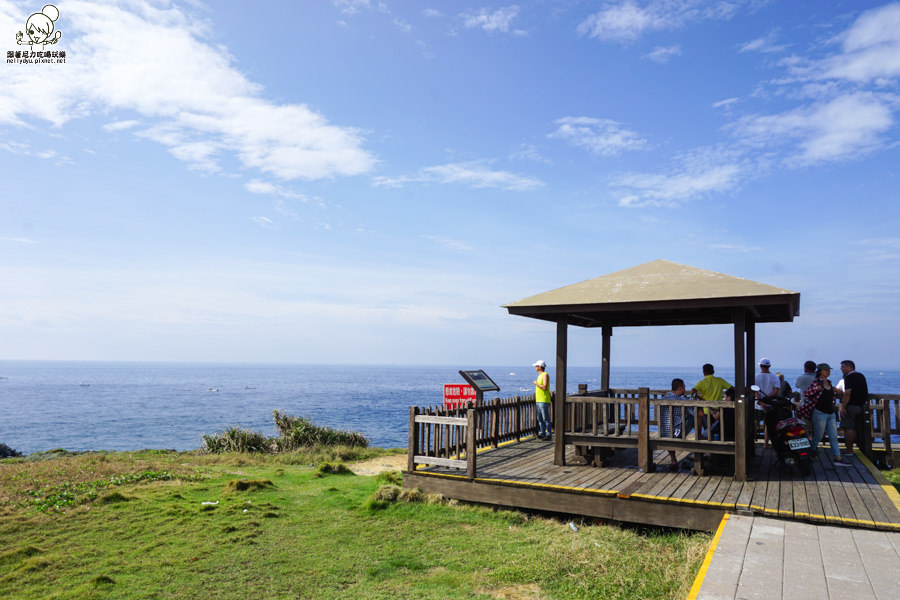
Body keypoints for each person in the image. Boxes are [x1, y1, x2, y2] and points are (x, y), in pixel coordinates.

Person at [802, 363, 847, 465]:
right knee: (818, 435)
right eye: (825, 370)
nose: (828, 371)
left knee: (833, 436)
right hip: (820, 413)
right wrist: (815, 389)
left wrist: (837, 390)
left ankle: (837, 457)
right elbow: (807, 393)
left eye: (828, 369)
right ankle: (812, 451)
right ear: (820, 371)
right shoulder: (817, 382)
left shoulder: (829, 383)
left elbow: (834, 392)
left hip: (831, 413)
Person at [658, 378, 694, 471]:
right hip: (676, 434)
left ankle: (673, 460)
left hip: (663, 433)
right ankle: (700, 439)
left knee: (669, 426)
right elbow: (693, 412)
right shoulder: (682, 400)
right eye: (684, 387)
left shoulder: (664, 398)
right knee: (694, 417)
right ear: (681, 388)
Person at [690, 364, 732, 439]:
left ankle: (709, 446)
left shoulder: (702, 383)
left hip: (706, 410)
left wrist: (697, 397)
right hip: (719, 410)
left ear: (703, 372)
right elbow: (732, 388)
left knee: (708, 431)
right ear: (713, 371)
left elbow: (692, 391)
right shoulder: (720, 381)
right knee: (718, 429)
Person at [838, 360, 868, 455]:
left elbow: (847, 393)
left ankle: (849, 450)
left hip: (851, 406)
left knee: (848, 428)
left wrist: (843, 407)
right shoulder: (861, 376)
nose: (841, 369)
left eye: (843, 367)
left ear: (850, 367)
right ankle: (860, 448)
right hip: (860, 406)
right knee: (856, 428)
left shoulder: (849, 377)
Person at [755, 358, 780, 447]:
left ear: (761, 366)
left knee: (755, 422)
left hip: (758, 405)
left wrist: (760, 400)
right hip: (770, 404)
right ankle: (766, 443)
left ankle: (753, 441)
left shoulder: (756, 376)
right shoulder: (775, 377)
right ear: (769, 366)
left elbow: (755, 391)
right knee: (767, 424)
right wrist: (767, 399)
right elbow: (776, 391)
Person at [532, 360, 552, 440]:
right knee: (540, 418)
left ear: (540, 367)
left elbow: (544, 387)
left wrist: (536, 384)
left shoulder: (545, 375)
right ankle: (543, 433)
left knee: (545, 418)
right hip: (539, 400)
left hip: (544, 399)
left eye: (536, 366)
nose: (535, 368)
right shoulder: (539, 375)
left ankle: (548, 434)